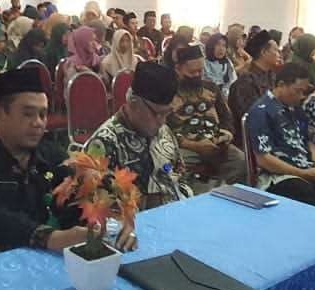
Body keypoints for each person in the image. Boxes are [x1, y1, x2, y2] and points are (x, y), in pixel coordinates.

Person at [0, 69, 93, 261]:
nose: (38, 123)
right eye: (28, 114)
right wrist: (49, 237)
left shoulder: (54, 157)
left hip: (48, 261)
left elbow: (74, 204)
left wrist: (102, 220)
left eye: (43, 114)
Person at [87, 62, 190, 205]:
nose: (162, 121)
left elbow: (181, 178)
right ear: (134, 103)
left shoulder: (163, 131)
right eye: (157, 114)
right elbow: (99, 208)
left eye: (167, 113)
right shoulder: (104, 143)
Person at [244, 63, 315, 208]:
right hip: (279, 176)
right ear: (281, 85)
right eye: (298, 91)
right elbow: (264, 159)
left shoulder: (295, 108)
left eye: (304, 92)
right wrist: (302, 173)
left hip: (306, 168)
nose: (302, 96)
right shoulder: (261, 111)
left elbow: (308, 141)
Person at [170, 45, 247, 184]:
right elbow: (164, 130)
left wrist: (226, 134)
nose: (197, 76)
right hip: (184, 147)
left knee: (241, 162)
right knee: (172, 168)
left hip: (216, 144)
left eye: (200, 71)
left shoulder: (211, 88)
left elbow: (226, 117)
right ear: (178, 69)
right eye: (192, 72)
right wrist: (193, 145)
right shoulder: (168, 93)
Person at [228, 30, 281, 125]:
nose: (279, 54)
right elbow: (252, 116)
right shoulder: (245, 82)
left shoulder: (272, 75)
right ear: (264, 52)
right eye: (276, 50)